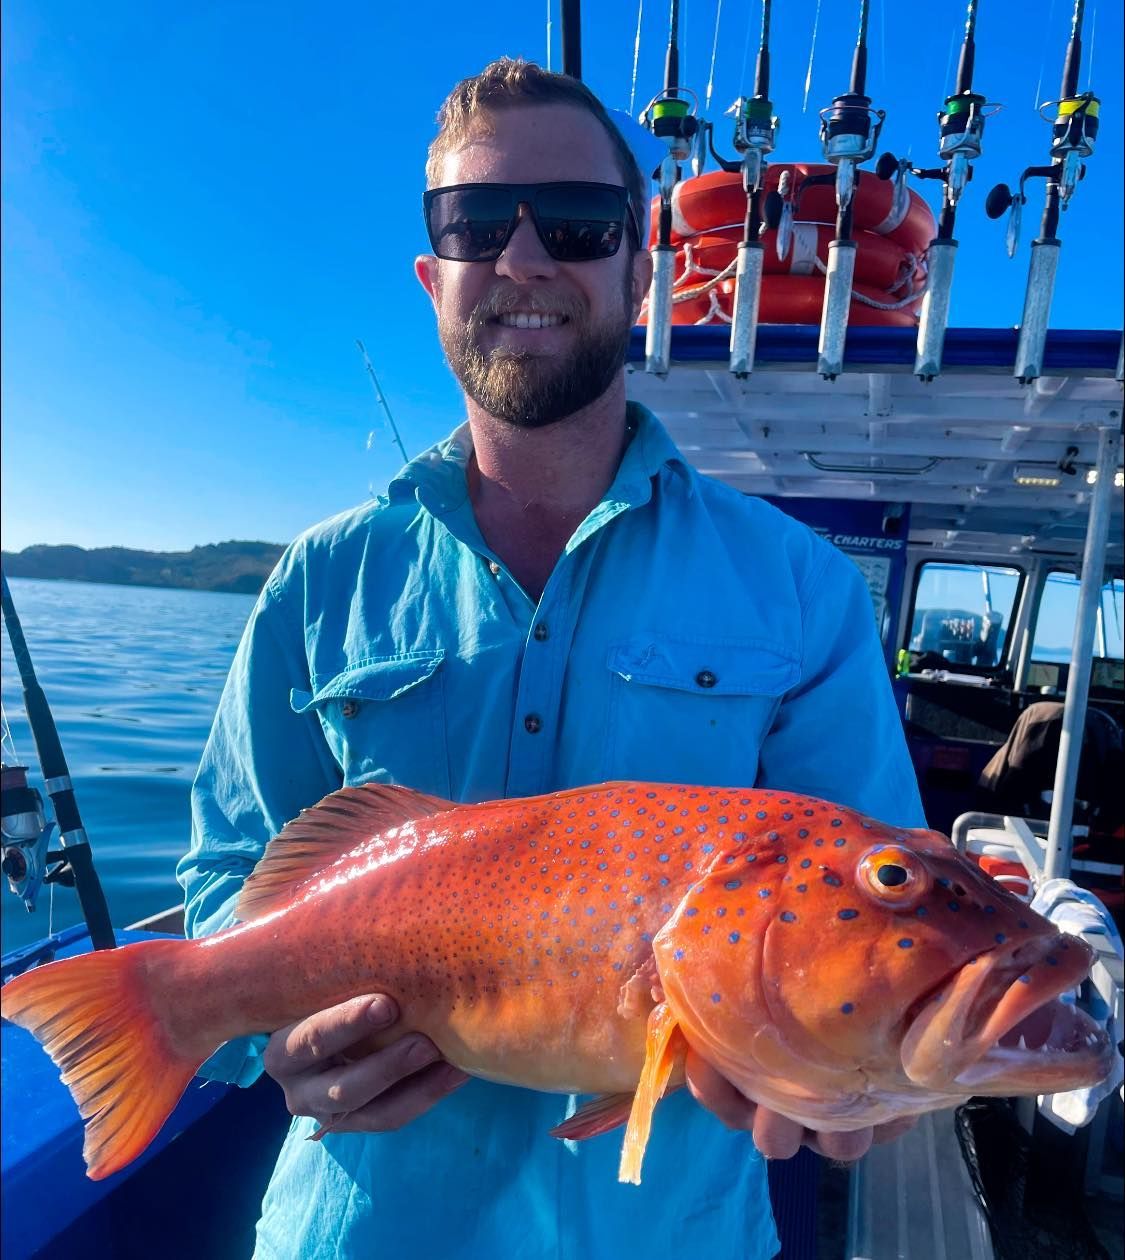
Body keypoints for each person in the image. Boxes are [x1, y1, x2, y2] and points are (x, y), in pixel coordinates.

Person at [178, 57, 926, 1260]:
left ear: (642, 270)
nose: (524, 261)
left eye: (576, 224)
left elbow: (868, 901)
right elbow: (230, 886)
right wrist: (267, 1045)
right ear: (435, 277)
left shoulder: (801, 591)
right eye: (478, 225)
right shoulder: (317, 584)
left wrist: (868, 1077)